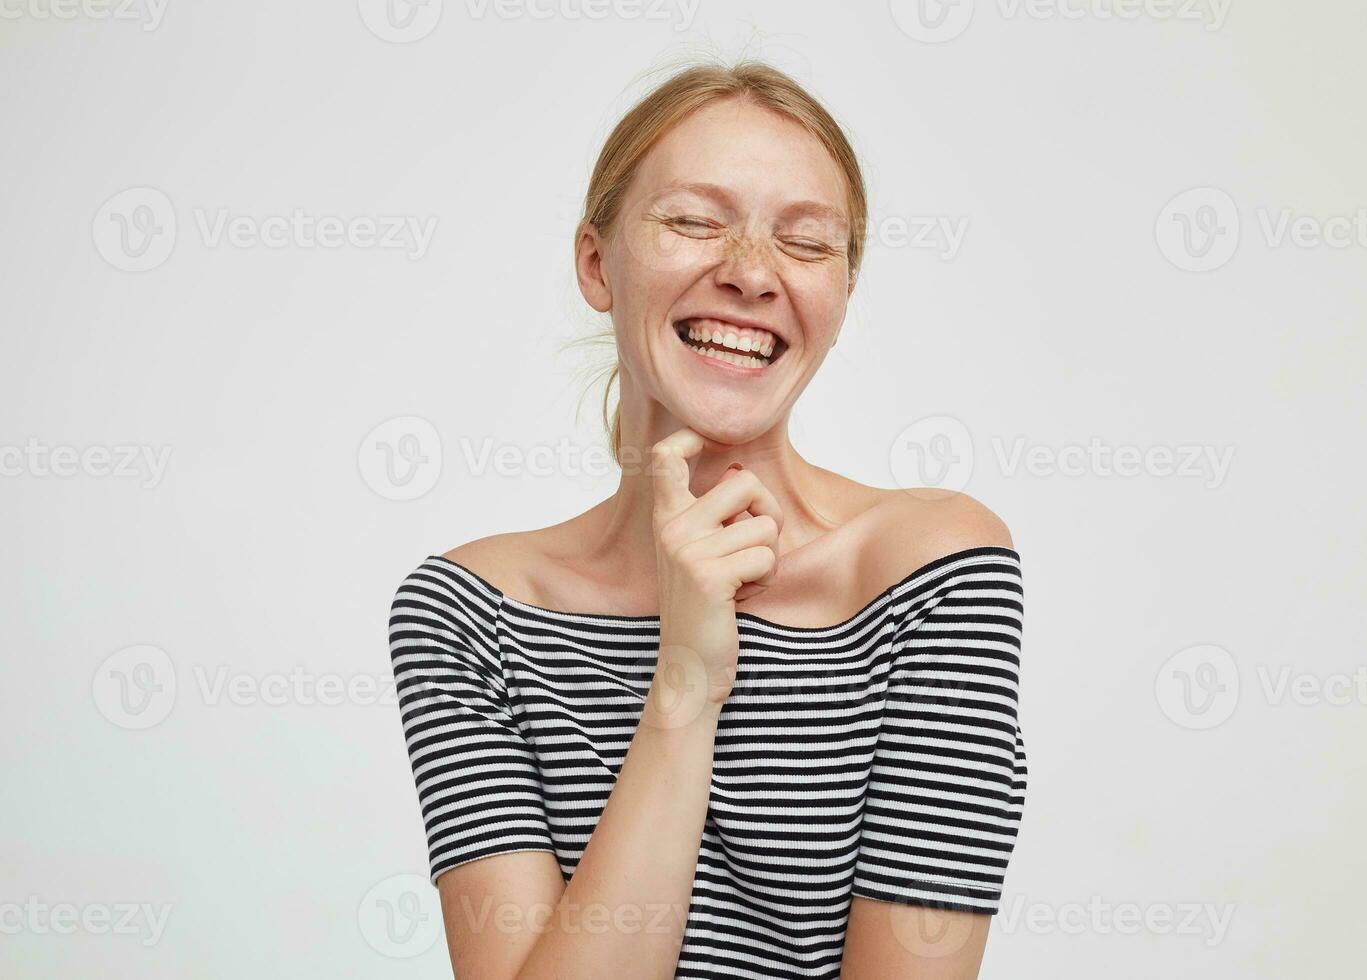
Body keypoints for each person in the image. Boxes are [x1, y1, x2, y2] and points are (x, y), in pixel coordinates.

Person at [388, 59, 1027, 979]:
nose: (752, 275)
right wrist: (685, 681)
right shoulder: (471, 613)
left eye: (807, 244)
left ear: (841, 301)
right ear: (597, 263)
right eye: (693, 221)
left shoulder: (932, 571)